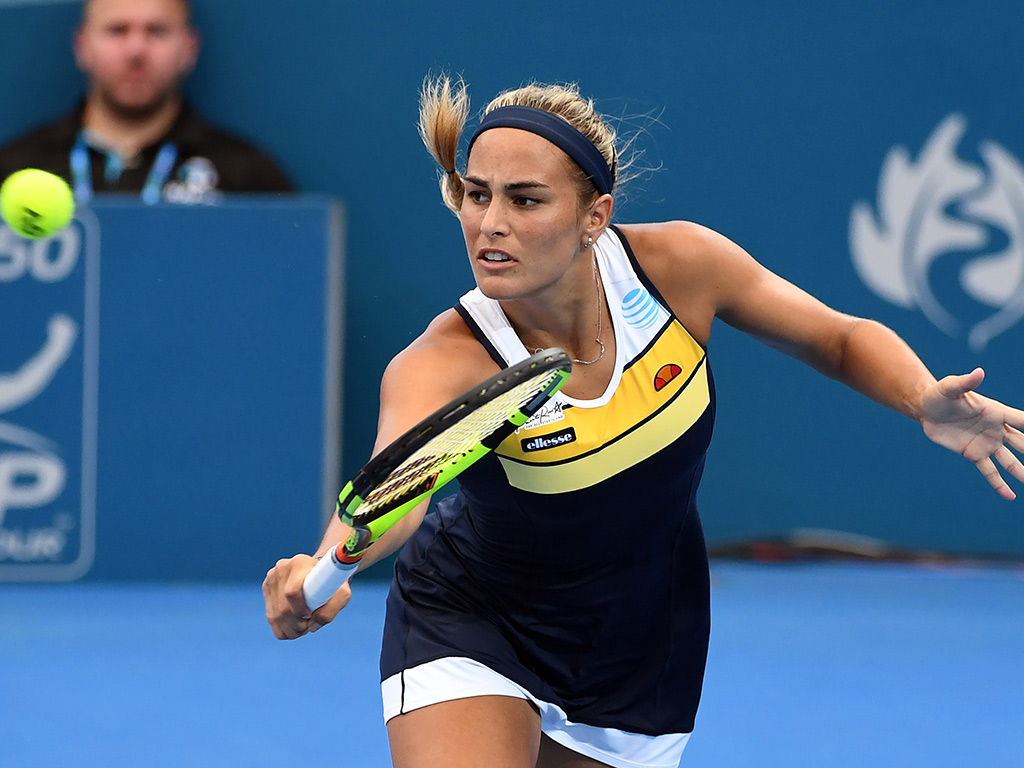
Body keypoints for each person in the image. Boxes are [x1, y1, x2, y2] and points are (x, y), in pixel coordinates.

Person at [262, 75, 1024, 768]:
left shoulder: (680, 269)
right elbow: (399, 490)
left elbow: (837, 336)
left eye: (525, 200)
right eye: (476, 194)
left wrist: (922, 397)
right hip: (471, 618)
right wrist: (325, 563)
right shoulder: (443, 361)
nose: (489, 223)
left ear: (596, 215)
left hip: (637, 644)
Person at [0, 0, 292, 204]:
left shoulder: (247, 176)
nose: (136, 50)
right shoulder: (17, 166)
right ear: (82, 46)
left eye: (156, 31)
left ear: (189, 49)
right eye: (117, 30)